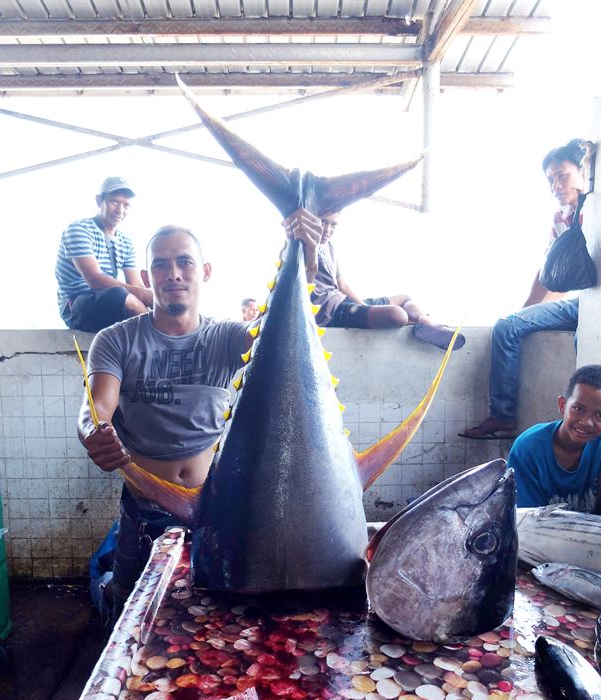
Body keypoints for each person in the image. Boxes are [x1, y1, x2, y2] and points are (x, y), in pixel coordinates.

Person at [78, 209, 322, 622]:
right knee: (127, 613)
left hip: (215, 508)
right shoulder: (115, 339)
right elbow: (96, 405)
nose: (173, 273)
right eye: (160, 264)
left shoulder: (227, 337)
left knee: (216, 617)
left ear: (204, 271)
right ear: (148, 276)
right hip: (144, 509)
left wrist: (307, 257)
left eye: (184, 262)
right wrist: (93, 431)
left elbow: (286, 329)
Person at [462, 139, 591, 439]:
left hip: (596, 311)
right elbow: (550, 273)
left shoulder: (598, 210)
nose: (556, 185)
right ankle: (503, 418)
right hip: (579, 304)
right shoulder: (560, 219)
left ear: (583, 174)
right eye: (550, 180)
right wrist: (524, 312)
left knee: (585, 349)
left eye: (562, 175)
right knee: (507, 326)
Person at [311, 211, 465, 350]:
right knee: (398, 315)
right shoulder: (304, 246)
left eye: (333, 224)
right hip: (330, 312)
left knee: (405, 298)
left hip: (343, 301)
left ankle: (426, 323)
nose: (327, 229)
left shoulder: (329, 247)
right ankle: (420, 325)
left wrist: (363, 306)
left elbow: (342, 284)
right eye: (323, 222)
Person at [56, 177, 153, 331]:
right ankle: (154, 337)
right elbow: (94, 280)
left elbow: (136, 284)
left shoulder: (125, 242)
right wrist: (145, 295)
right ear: (99, 201)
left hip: (112, 305)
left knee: (157, 304)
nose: (120, 210)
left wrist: (156, 301)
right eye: (114, 202)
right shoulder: (79, 229)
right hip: (78, 305)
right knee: (119, 294)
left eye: (126, 205)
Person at [507, 365, 601, 513]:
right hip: (537, 532)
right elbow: (525, 520)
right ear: (562, 405)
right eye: (578, 409)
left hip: (592, 533)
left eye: (600, 415)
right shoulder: (527, 449)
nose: (586, 422)